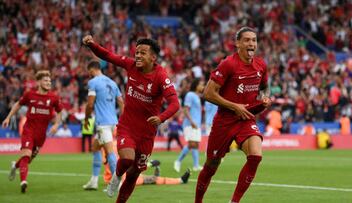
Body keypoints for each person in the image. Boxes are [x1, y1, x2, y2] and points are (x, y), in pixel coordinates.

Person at [82, 36, 180, 202]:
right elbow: (108, 55)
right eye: (137, 52)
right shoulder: (131, 65)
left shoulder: (161, 76)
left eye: (143, 53)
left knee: (134, 174)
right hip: (127, 126)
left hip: (147, 133)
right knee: (126, 159)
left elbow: (175, 103)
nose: (138, 56)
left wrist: (161, 117)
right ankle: (117, 175)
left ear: (153, 58)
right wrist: (92, 44)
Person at [195, 27, 271, 203]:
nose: (251, 43)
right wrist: (234, 106)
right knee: (211, 165)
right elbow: (208, 93)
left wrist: (263, 98)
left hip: (246, 119)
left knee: (255, 156)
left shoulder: (261, 65)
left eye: (254, 40)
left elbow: (264, 87)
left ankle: (234, 201)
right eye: (246, 40)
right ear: (237, 43)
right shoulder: (228, 64)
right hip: (225, 121)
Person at [2, 70, 63, 193]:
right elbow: (17, 105)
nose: (48, 83)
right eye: (45, 80)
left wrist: (56, 124)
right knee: (26, 155)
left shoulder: (54, 98)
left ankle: (15, 165)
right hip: (28, 130)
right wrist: (8, 117)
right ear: (39, 82)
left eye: (49, 81)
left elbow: (60, 111)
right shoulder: (29, 95)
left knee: (28, 159)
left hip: (41, 135)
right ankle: (23, 182)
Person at [83, 61, 124, 190]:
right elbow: (121, 102)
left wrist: (87, 118)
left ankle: (117, 183)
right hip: (113, 122)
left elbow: (90, 104)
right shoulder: (112, 83)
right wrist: (121, 120)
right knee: (95, 148)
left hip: (103, 123)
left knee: (110, 152)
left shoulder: (93, 82)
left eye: (88, 71)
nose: (88, 74)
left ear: (92, 69)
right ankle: (94, 181)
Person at [174, 78, 204, 172]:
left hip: (196, 124)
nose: (202, 87)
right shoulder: (190, 95)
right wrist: (191, 121)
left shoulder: (197, 96)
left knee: (195, 145)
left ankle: (196, 165)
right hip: (190, 124)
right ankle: (178, 161)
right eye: (201, 84)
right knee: (192, 144)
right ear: (196, 85)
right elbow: (186, 109)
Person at [103, 159, 191, 186]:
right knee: (153, 179)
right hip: (120, 178)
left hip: (121, 176)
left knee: (152, 178)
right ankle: (181, 180)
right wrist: (150, 164)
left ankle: (180, 180)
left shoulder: (114, 146)